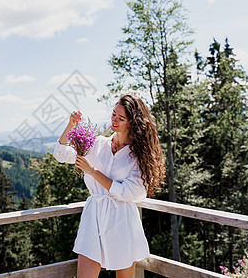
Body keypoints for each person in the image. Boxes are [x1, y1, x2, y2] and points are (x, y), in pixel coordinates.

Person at [53, 94, 166, 278]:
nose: (114, 120)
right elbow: (60, 153)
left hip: (122, 221)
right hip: (93, 219)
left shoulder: (137, 157)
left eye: (121, 118)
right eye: (114, 114)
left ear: (133, 123)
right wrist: (71, 125)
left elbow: (129, 192)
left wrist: (93, 171)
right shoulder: (97, 144)